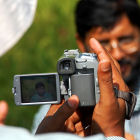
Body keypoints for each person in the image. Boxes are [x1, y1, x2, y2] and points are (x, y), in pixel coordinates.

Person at [35, 0, 140, 139]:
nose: (117, 54)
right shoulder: (58, 117)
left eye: (125, 40)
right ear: (81, 43)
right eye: (103, 43)